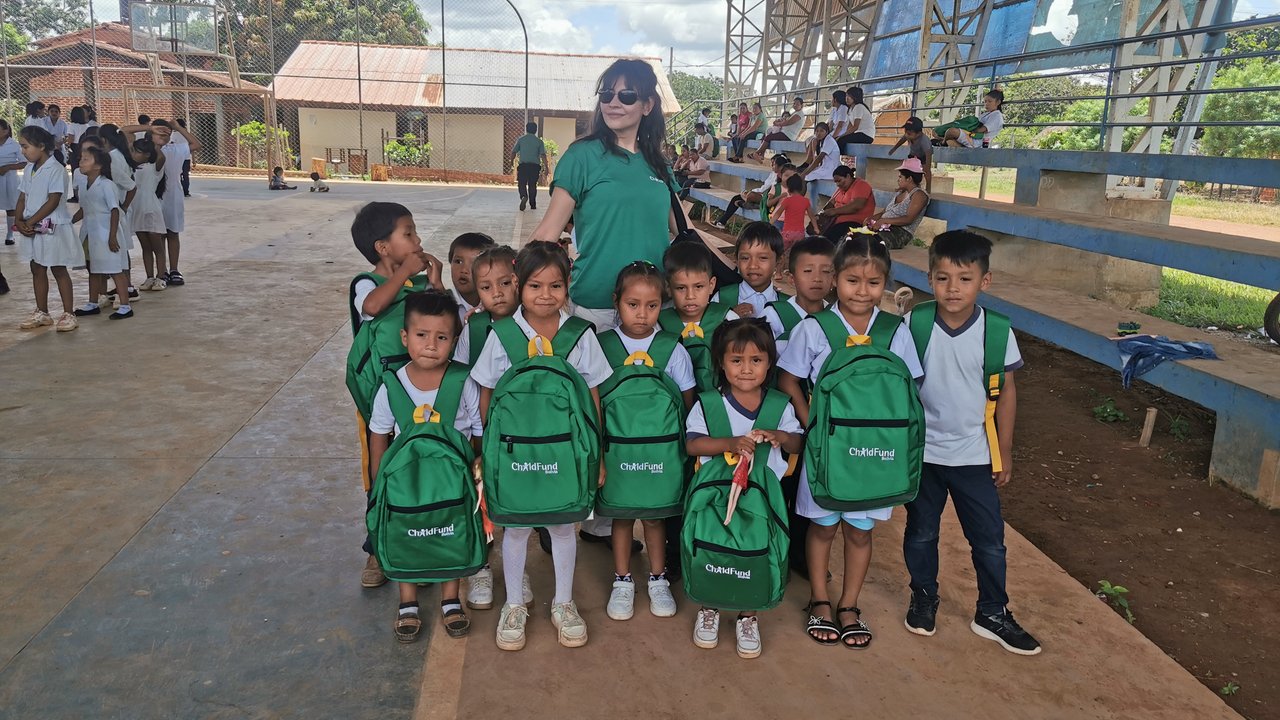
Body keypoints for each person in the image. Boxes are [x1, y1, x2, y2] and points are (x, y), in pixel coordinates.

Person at [777, 234, 924, 648]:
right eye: (853, 281)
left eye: (874, 283)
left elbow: (909, 388)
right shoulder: (815, 328)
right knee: (822, 526)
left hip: (875, 453)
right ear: (836, 280)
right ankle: (820, 600)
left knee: (860, 532)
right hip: (828, 450)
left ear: (886, 284)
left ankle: (849, 605)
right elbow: (788, 378)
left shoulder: (895, 331)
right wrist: (812, 425)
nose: (863, 291)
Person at [901, 229, 1042, 656]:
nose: (953, 288)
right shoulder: (916, 323)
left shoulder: (997, 331)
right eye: (942, 278)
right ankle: (924, 597)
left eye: (964, 278)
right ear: (930, 279)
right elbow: (901, 387)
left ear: (986, 281)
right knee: (921, 533)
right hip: (923, 454)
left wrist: (1006, 449)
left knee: (988, 540)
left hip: (975, 455)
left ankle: (993, 612)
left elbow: (1008, 392)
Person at [470, 241, 612, 651]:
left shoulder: (579, 335)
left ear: (568, 286)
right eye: (535, 286)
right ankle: (514, 604)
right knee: (514, 528)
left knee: (564, 526)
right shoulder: (504, 335)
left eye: (556, 285)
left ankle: (564, 603)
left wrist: (597, 454)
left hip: (566, 452)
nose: (545, 295)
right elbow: (487, 394)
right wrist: (486, 449)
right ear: (519, 285)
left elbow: (592, 397)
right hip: (514, 454)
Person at [529, 58, 703, 330]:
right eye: (607, 94)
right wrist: (509, 282)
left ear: (647, 105)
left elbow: (686, 232)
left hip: (652, 305)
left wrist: (735, 277)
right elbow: (547, 234)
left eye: (627, 95)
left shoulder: (659, 164)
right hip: (596, 308)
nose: (613, 102)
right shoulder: (581, 156)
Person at [367, 290, 483, 642]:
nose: (431, 345)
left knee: (452, 531)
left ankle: (450, 599)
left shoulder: (463, 381)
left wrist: (477, 472)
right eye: (421, 335)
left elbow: (479, 430)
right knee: (405, 532)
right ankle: (407, 603)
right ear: (405, 337)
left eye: (442, 337)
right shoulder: (392, 385)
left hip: (454, 481)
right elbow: (378, 436)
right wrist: (377, 486)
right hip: (405, 482)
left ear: (454, 340)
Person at [687, 319, 804, 658]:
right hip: (714, 498)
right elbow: (693, 445)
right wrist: (730, 442)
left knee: (755, 552)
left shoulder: (780, 405)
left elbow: (797, 444)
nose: (747, 369)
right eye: (736, 360)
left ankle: (748, 615)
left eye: (756, 360)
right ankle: (709, 608)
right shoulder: (709, 404)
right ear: (721, 364)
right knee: (712, 547)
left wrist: (780, 437)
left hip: (763, 501)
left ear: (770, 363)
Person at [349, 202, 445, 590]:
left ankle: (422, 538)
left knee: (421, 466)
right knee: (380, 469)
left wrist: (434, 280)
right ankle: (377, 547)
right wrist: (406, 273)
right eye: (408, 233)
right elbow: (372, 308)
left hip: (421, 396)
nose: (418, 239)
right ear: (382, 247)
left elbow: (443, 315)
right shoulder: (365, 284)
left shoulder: (418, 286)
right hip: (379, 401)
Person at [601, 260, 696, 622]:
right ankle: (622, 579)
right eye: (633, 305)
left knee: (655, 519)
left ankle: (658, 579)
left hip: (661, 452)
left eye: (652, 305)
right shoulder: (602, 346)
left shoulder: (672, 348)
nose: (642, 314)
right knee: (622, 518)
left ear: (663, 304)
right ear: (617, 302)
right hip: (618, 451)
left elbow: (687, 407)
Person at [14, 126, 80, 332]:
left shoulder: (56, 169)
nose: (23, 151)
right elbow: (23, 196)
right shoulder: (28, 169)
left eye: (26, 146)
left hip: (51, 224)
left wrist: (31, 221)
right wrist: (19, 219)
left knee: (58, 267)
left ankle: (69, 313)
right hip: (32, 224)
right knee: (37, 267)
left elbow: (53, 200)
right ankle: (42, 312)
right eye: (21, 147)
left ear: (41, 146)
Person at [122, 119, 201, 286]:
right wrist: (149, 127)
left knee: (172, 232)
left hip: (171, 196)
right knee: (153, 237)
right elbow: (125, 131)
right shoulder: (141, 151)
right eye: (160, 132)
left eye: (168, 133)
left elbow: (195, 144)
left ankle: (173, 270)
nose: (164, 135)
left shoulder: (173, 150)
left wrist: (178, 127)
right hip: (147, 202)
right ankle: (159, 273)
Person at [659, 242, 740, 394]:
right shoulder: (659, 324)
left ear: (711, 285)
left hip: (721, 401)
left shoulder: (727, 320)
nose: (690, 296)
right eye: (681, 288)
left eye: (698, 287)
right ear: (668, 288)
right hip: (673, 404)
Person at [72, 146, 133, 320]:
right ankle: (93, 303)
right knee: (94, 270)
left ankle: (125, 306)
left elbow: (114, 211)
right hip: (92, 233)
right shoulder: (85, 185)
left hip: (106, 233)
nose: (80, 162)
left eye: (85, 159)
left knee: (115, 269)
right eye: (81, 158)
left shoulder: (107, 185)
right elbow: (84, 208)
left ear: (98, 166)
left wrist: (112, 236)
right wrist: (68, 222)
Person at [762, 234, 834, 356]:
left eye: (826, 271)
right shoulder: (774, 315)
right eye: (807, 271)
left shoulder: (835, 316)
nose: (817, 278)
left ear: (835, 278)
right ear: (792, 279)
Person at [98, 124, 139, 299]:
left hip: (116, 208)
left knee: (118, 250)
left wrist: (123, 207)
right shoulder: (119, 154)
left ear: (103, 140)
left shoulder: (112, 158)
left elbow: (131, 186)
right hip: (118, 207)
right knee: (121, 249)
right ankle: (126, 286)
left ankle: (127, 287)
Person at [712, 221, 783, 318]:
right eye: (745, 258)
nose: (753, 265)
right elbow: (707, 330)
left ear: (778, 262)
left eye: (763, 258)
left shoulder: (787, 306)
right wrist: (729, 317)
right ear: (736, 260)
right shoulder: (721, 298)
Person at [710, 153, 791, 229]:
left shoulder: (784, 175)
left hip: (769, 198)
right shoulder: (773, 173)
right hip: (763, 194)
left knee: (749, 196)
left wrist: (759, 193)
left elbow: (772, 189)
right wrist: (755, 191)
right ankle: (722, 221)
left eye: (773, 164)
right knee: (738, 197)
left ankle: (748, 204)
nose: (771, 165)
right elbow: (765, 186)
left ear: (780, 166)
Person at [130, 138, 169, 291]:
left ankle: (161, 277)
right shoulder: (131, 168)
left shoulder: (154, 167)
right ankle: (149, 277)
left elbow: (161, 157)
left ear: (146, 154)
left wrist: (155, 143)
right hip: (137, 210)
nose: (133, 154)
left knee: (157, 247)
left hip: (151, 209)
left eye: (137, 151)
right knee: (145, 247)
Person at [866, 157, 930, 249]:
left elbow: (908, 219)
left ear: (909, 178)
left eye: (900, 177)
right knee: (854, 236)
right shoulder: (900, 193)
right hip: (884, 227)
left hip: (900, 232)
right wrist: (870, 219)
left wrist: (884, 221)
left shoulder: (919, 195)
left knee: (870, 242)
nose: (898, 179)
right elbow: (884, 213)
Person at [818, 165, 876, 241]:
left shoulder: (861, 185)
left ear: (848, 176)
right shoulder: (841, 188)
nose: (838, 184)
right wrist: (821, 214)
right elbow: (831, 203)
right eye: (836, 182)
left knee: (829, 238)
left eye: (839, 180)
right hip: (836, 221)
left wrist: (835, 211)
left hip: (855, 223)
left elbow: (856, 206)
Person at [447, 232, 495, 323]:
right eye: (458, 261)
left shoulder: (497, 301)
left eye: (474, 263)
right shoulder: (445, 300)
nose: (464, 270)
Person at [771, 174, 819, 249]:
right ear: (801, 188)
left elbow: (777, 214)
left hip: (787, 233)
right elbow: (812, 217)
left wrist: (770, 223)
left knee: (783, 252)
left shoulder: (787, 201)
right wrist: (816, 228)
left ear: (788, 188)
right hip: (799, 234)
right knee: (796, 252)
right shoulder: (806, 201)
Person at [750, 96, 806, 161]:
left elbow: (787, 122)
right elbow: (785, 121)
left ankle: (757, 153)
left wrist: (777, 123)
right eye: (794, 103)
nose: (795, 105)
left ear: (801, 105)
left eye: (797, 104)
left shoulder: (799, 114)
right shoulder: (795, 113)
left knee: (769, 137)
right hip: (784, 133)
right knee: (766, 134)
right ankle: (761, 155)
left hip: (788, 135)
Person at [888, 116, 933, 193]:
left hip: (924, 156)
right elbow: (903, 139)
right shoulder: (908, 134)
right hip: (913, 154)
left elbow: (928, 153)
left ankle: (928, 188)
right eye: (905, 131)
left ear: (919, 133)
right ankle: (903, 186)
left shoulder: (924, 141)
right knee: (906, 171)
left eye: (909, 133)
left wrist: (927, 166)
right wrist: (894, 148)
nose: (906, 135)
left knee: (926, 172)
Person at [511, 122, 547, 211]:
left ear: (526, 129)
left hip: (523, 166)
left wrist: (511, 162)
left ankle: (524, 196)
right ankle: (533, 204)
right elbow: (543, 155)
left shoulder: (521, 140)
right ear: (535, 130)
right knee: (532, 185)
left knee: (521, 184)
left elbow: (513, 152)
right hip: (534, 167)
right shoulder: (539, 141)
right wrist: (546, 167)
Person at [0, 120, 23, 248]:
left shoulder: (14, 145)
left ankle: (10, 234)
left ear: (5, 131)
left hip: (9, 178)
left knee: (10, 207)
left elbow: (24, 162)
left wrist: (8, 167)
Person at [799, 121, 841, 187]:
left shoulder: (829, 140)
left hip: (831, 170)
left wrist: (805, 173)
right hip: (825, 168)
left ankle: (799, 197)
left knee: (805, 177)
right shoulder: (822, 141)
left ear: (826, 132)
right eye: (817, 131)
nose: (818, 133)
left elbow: (818, 159)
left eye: (822, 131)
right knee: (804, 175)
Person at [174, 118, 193, 195]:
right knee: (185, 174)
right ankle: (186, 191)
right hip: (186, 157)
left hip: (177, 157)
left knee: (177, 174)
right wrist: (193, 159)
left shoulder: (173, 135)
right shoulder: (187, 135)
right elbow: (192, 147)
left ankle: (179, 189)